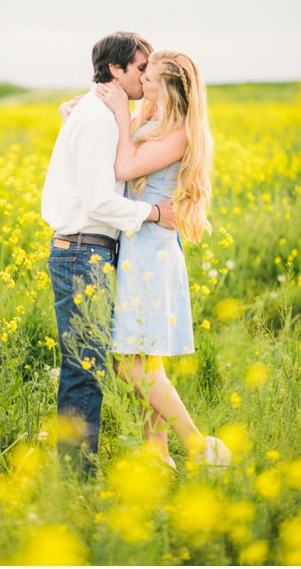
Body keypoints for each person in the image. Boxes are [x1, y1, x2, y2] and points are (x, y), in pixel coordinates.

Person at [41, 31, 177, 474]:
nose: (146, 77)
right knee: (85, 367)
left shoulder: (96, 111)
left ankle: (78, 471)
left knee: (91, 364)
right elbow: (100, 202)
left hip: (86, 252)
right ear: (115, 71)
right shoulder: (98, 119)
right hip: (83, 253)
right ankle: (77, 478)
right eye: (140, 69)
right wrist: (155, 212)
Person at [93, 50, 232, 469]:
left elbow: (123, 165)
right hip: (140, 244)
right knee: (144, 358)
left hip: (150, 252)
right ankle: (158, 453)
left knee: (125, 362)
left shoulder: (180, 134)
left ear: (170, 88)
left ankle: (197, 446)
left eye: (150, 79)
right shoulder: (153, 122)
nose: (142, 85)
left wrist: (119, 112)